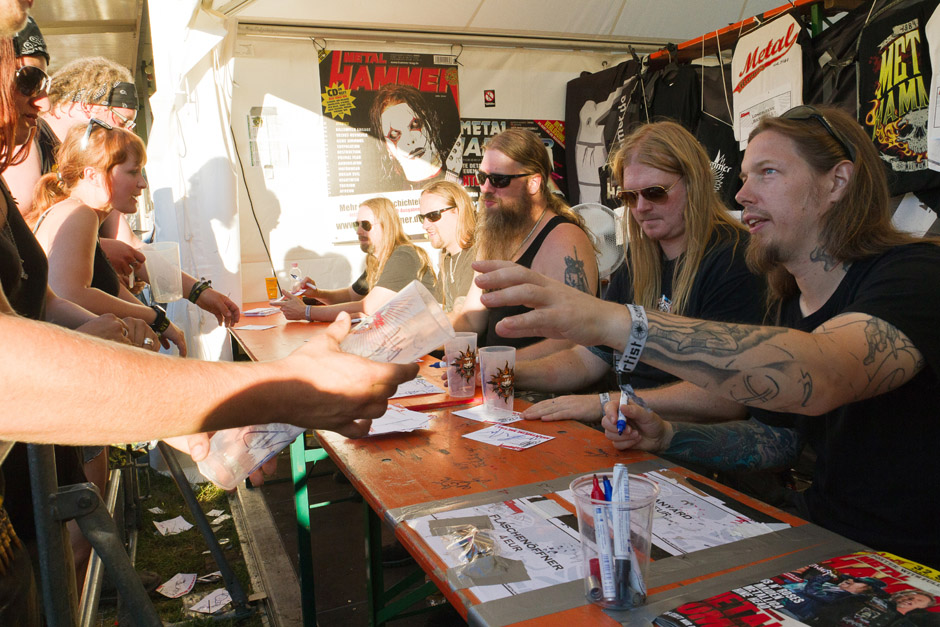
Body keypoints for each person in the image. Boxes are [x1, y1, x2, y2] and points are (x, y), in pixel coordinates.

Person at [472, 105, 940, 568]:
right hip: (823, 537)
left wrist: (616, 324)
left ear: (837, 181)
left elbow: (822, 373)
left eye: (767, 172)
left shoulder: (915, 273)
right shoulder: (788, 297)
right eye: (744, 176)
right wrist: (669, 437)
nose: (743, 193)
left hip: (910, 564)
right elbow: (776, 438)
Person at [515, 121, 763, 424]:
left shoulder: (735, 258)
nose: (641, 207)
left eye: (655, 193)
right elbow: (590, 358)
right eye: (630, 197)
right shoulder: (641, 257)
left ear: (695, 183)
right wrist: (504, 371)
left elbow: (725, 398)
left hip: (686, 450)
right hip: (628, 430)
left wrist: (606, 403)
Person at [30, 119, 189, 356]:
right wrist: (156, 318)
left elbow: (112, 293)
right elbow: (69, 294)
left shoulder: (78, 215)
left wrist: (159, 320)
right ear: (92, 175)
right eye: (133, 172)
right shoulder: (80, 214)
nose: (142, 183)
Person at [452, 127, 598, 349]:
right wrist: (419, 335)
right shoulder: (495, 232)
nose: (485, 189)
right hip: (499, 376)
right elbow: (473, 318)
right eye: (482, 177)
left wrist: (496, 366)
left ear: (534, 183)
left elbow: (571, 341)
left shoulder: (564, 239)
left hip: (534, 379)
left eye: (499, 180)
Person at [275, 196, 439, 321]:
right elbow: (351, 295)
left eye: (365, 225)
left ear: (386, 226)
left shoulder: (404, 256)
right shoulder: (377, 259)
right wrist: (317, 293)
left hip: (428, 352)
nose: (359, 231)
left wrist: (305, 312)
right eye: (356, 225)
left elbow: (368, 307)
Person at [369, 84, 461, 190]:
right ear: (387, 147)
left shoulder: (456, 169)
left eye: (415, 124)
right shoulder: (387, 189)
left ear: (431, 122)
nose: (410, 140)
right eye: (394, 135)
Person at [418, 180, 477, 312]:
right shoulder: (447, 258)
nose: (425, 225)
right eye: (422, 218)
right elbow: (437, 310)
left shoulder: (476, 254)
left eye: (433, 215)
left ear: (458, 211)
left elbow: (463, 317)